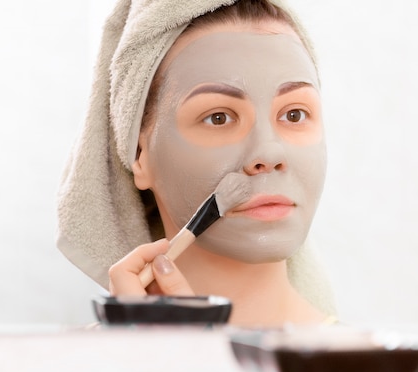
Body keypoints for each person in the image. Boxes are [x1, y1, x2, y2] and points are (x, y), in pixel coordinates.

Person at [57, 0, 337, 326]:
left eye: (294, 114)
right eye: (218, 117)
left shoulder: (368, 365)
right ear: (138, 155)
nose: (268, 154)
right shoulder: (72, 367)